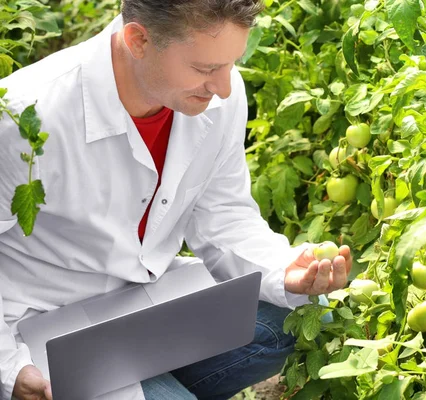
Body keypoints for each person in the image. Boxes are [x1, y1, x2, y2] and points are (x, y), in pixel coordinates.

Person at [0, 1, 352, 399]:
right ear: (138, 40)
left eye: (231, 63)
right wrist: (9, 369)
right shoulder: (23, 119)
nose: (223, 87)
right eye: (204, 69)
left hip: (144, 309)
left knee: (301, 315)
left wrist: (285, 270)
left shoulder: (215, 97)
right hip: (39, 327)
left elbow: (224, 216)